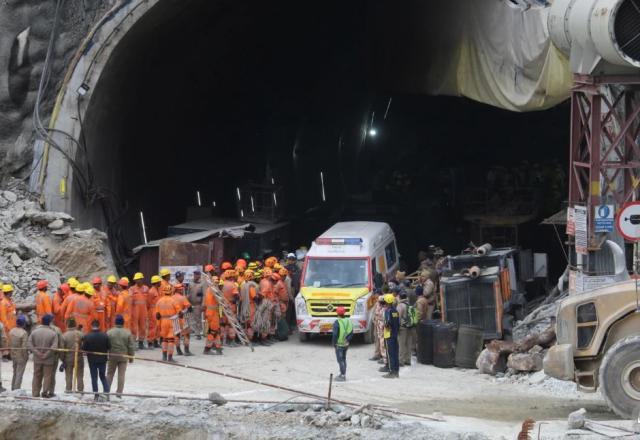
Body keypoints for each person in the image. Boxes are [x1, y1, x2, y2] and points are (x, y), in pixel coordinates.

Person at [27, 314, 59, 397]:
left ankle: (35, 392)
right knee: (47, 376)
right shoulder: (53, 333)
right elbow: (54, 347)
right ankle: (45, 392)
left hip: (37, 358)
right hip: (49, 359)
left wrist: (37, 353)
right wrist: (46, 354)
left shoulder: (34, 332)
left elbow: (29, 344)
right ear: (50, 322)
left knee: (36, 375)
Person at [82, 319, 111, 401]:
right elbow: (109, 346)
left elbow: (84, 348)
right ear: (99, 326)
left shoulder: (87, 336)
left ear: (92, 326)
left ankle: (96, 394)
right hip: (102, 360)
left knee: (94, 377)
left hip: (92, 360)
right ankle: (106, 392)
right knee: (103, 376)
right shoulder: (105, 335)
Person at [107, 314, 135, 397]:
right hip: (123, 356)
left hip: (112, 356)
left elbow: (106, 345)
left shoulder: (109, 332)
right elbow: (131, 346)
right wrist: (131, 357)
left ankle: (106, 391)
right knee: (121, 375)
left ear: (115, 322)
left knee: (109, 374)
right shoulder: (127, 333)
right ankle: (119, 393)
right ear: (123, 323)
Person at [155, 283, 181, 362]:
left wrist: (158, 325)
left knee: (164, 339)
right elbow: (179, 312)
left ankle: (164, 356)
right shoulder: (173, 301)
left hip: (163, 321)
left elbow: (157, 315)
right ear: (171, 291)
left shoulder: (159, 301)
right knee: (171, 340)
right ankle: (170, 357)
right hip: (172, 321)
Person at [61, 317, 84, 393]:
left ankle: (68, 389)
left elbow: (62, 349)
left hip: (68, 358)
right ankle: (80, 390)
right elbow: (84, 346)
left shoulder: (64, 335)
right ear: (75, 324)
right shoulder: (80, 334)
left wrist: (62, 359)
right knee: (80, 375)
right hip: (79, 358)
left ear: (67, 325)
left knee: (68, 375)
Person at [379, 294, 400, 378]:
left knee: (390, 354)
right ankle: (396, 371)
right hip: (395, 334)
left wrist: (384, 325)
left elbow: (388, 323)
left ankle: (391, 371)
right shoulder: (395, 311)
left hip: (388, 335)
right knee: (395, 353)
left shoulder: (388, 311)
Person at [332, 306, 353, 382]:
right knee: (344, 359)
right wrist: (347, 340)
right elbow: (351, 333)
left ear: (337, 313)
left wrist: (334, 343)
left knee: (340, 360)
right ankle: (343, 373)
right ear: (344, 313)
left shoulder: (337, 322)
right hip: (346, 344)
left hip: (339, 344)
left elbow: (334, 335)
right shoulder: (348, 321)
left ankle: (342, 375)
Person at [172, 283, 193, 356]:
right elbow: (190, 308)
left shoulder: (171, 298)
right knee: (186, 334)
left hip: (174, 319)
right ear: (179, 290)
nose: (182, 290)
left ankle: (178, 351)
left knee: (177, 335)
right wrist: (188, 309)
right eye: (181, 289)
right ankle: (186, 351)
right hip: (182, 319)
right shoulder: (183, 298)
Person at [203, 282, 223, 355]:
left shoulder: (208, 289)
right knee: (213, 332)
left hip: (210, 312)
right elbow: (221, 302)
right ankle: (207, 349)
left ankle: (218, 348)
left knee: (216, 331)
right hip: (213, 314)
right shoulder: (214, 290)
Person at [130, 272, 149, 349]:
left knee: (143, 327)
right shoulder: (131, 289)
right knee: (134, 327)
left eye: (139, 279)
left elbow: (149, 300)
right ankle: (133, 344)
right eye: (136, 280)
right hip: (134, 310)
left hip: (143, 311)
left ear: (142, 279)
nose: (137, 281)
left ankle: (141, 343)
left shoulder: (146, 288)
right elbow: (129, 300)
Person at [9, 315, 28, 390]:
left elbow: (9, 342)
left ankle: (13, 387)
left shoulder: (11, 331)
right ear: (23, 324)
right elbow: (24, 347)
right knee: (19, 373)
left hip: (13, 354)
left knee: (15, 372)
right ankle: (17, 389)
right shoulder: (24, 333)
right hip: (21, 355)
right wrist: (25, 356)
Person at [221, 270, 239, 346]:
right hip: (231, 306)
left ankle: (221, 341)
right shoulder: (233, 285)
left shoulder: (222, 284)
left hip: (222, 306)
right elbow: (236, 296)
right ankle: (231, 340)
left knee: (222, 324)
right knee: (231, 324)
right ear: (232, 276)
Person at [396, 292, 414, 367]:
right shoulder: (410, 305)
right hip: (410, 326)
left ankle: (401, 361)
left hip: (402, 327)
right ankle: (408, 360)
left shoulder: (400, 305)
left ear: (400, 297)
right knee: (408, 343)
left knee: (401, 344)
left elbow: (398, 317)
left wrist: (396, 327)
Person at [187, 270, 205, 340]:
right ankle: (194, 331)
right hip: (191, 304)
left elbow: (204, 295)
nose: (196, 276)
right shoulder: (190, 283)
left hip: (198, 304)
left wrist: (203, 304)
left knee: (198, 319)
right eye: (195, 275)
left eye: (197, 275)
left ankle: (198, 333)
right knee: (191, 319)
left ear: (199, 275)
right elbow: (188, 293)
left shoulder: (202, 284)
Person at [370, 294, 387, 365]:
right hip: (378, 327)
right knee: (378, 341)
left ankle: (384, 358)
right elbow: (374, 315)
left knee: (383, 343)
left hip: (383, 328)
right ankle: (379, 355)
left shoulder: (385, 309)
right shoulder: (377, 306)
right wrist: (375, 321)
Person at [147, 275, 161, 348]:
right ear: (156, 282)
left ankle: (155, 341)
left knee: (157, 326)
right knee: (152, 327)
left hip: (157, 310)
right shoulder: (151, 291)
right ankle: (150, 342)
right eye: (159, 281)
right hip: (152, 311)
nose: (160, 283)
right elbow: (148, 303)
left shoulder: (157, 290)